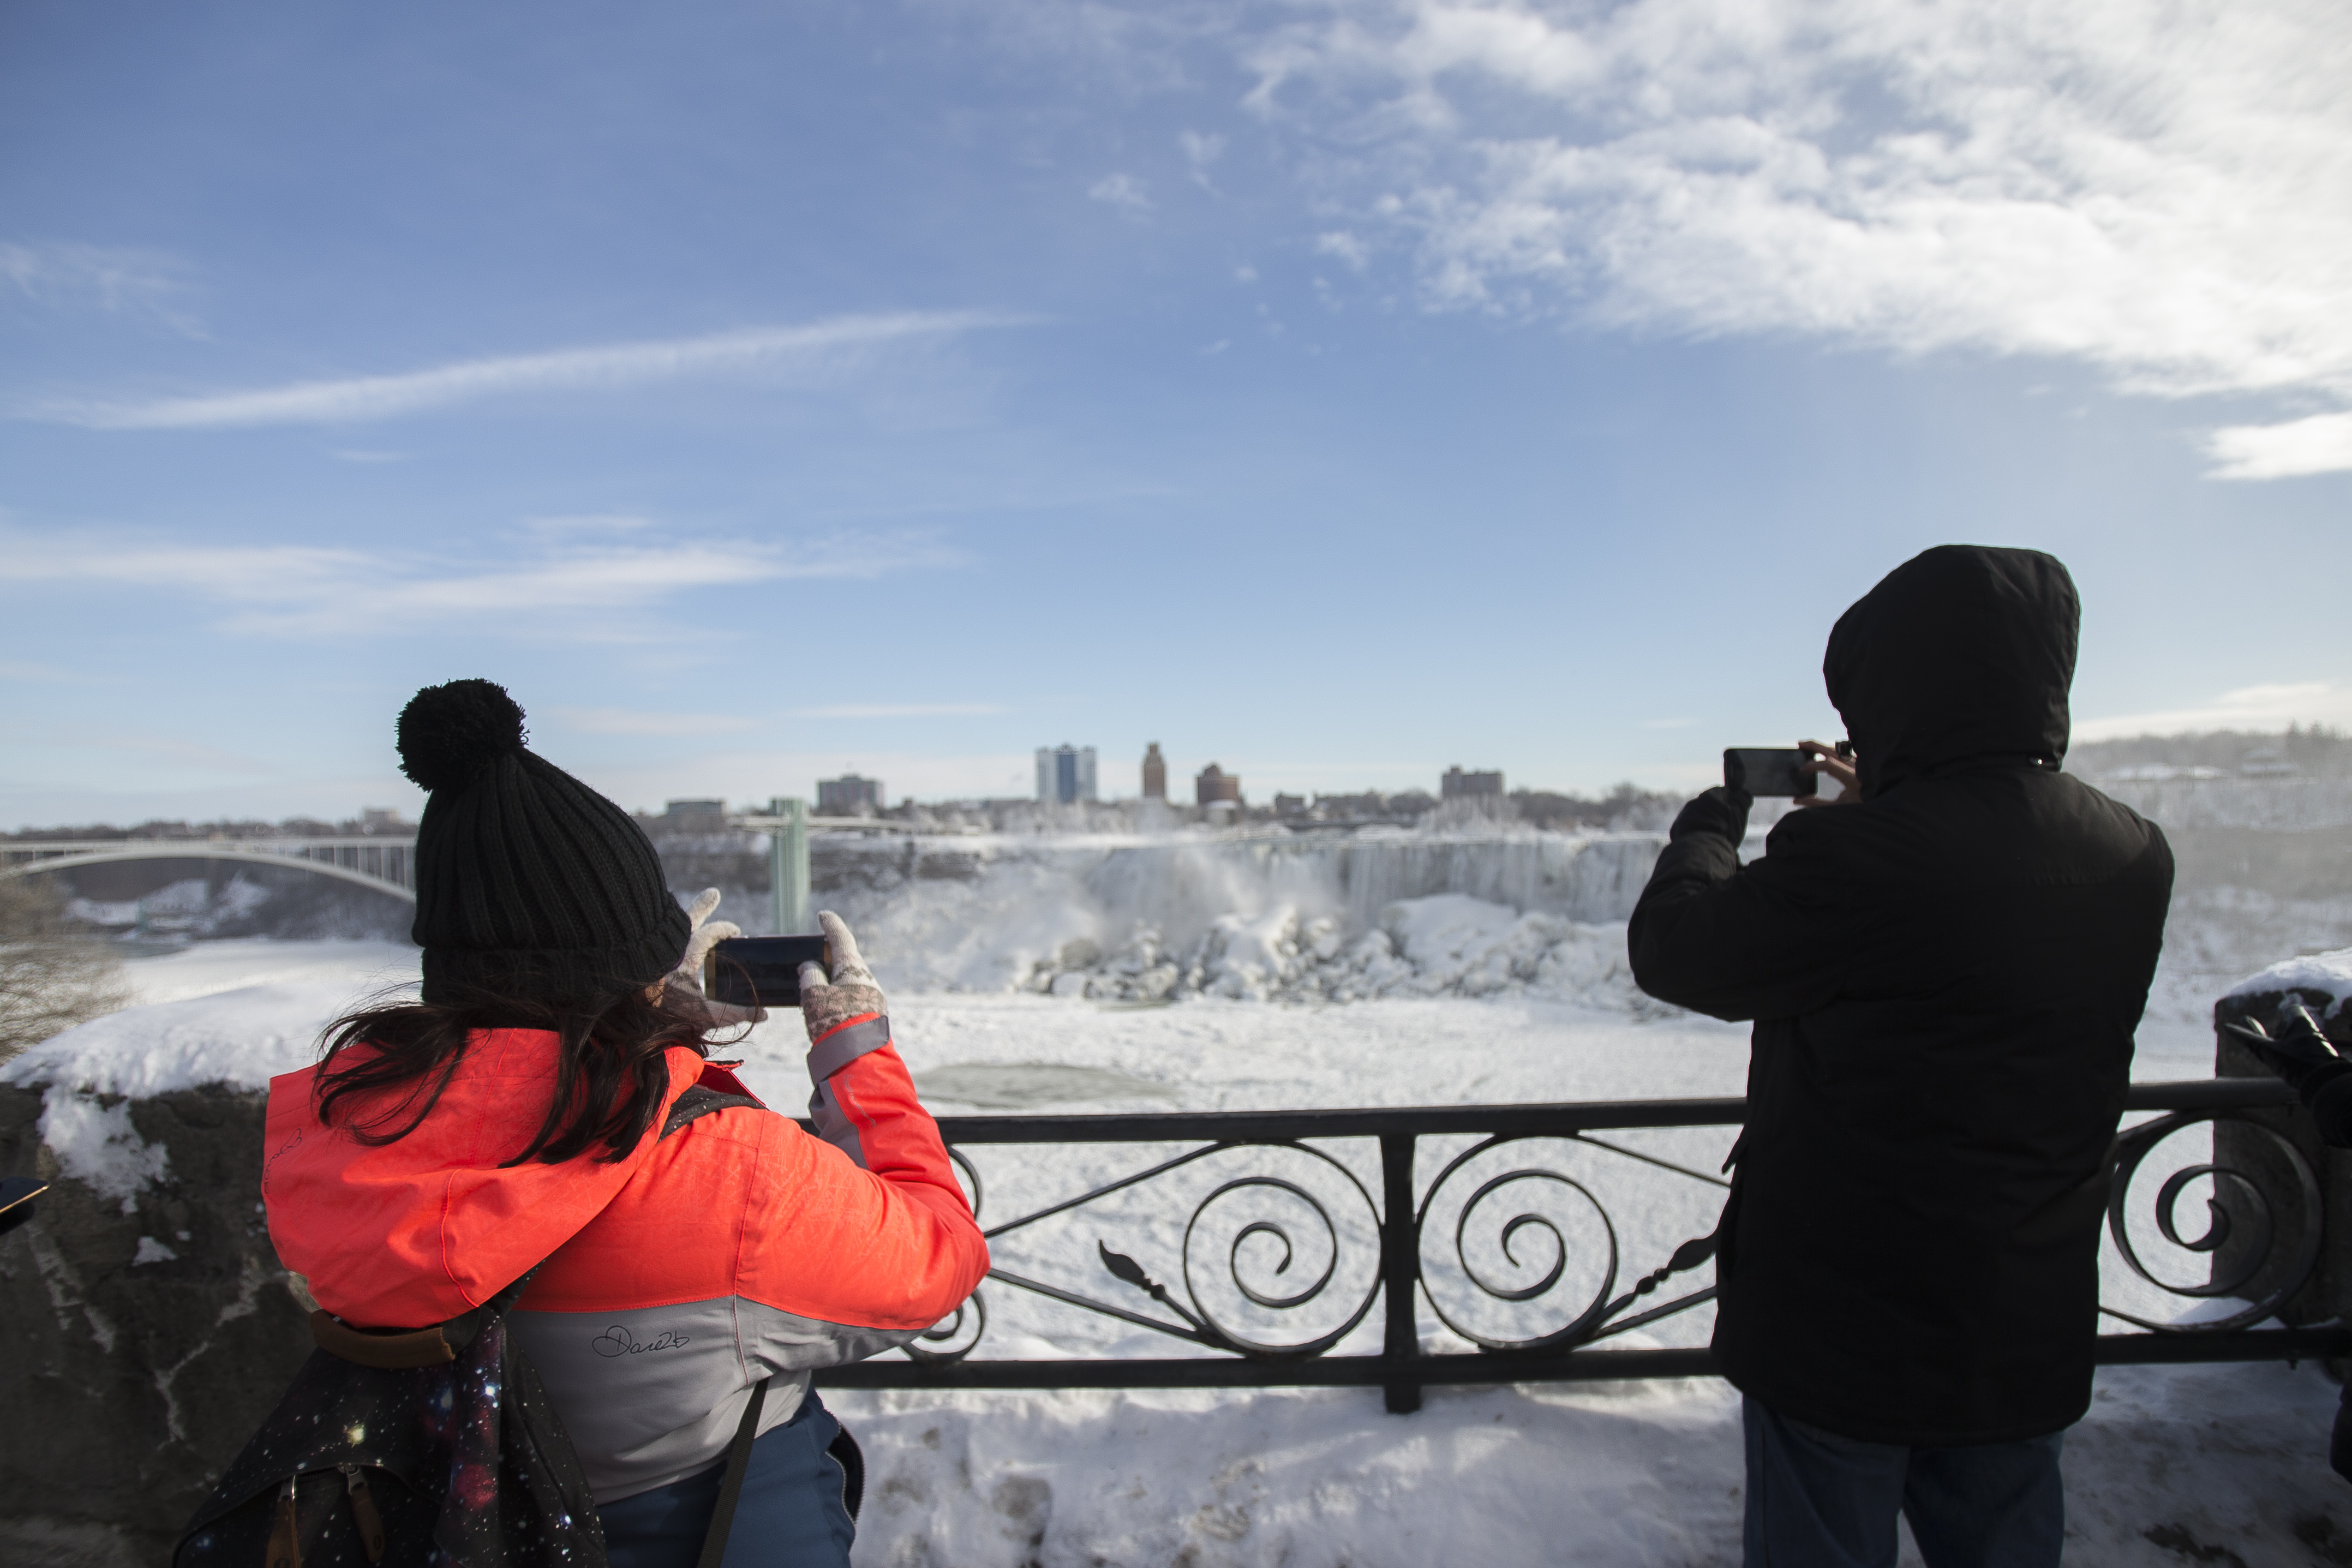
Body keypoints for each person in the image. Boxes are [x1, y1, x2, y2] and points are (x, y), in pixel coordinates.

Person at [262, 679, 988, 1568]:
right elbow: (939, 1259)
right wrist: (856, 1054)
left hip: (443, 1529)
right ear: (632, 964)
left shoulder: (346, 1135)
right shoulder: (726, 1170)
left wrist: (646, 1026)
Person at [1626, 546, 2174, 1567]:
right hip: (2023, 1311)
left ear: (1893, 685)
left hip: (1845, 1326)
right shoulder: (2134, 850)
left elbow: (1677, 948)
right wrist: (1889, 807)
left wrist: (1715, 819)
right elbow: (1967, 942)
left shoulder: (1861, 860)